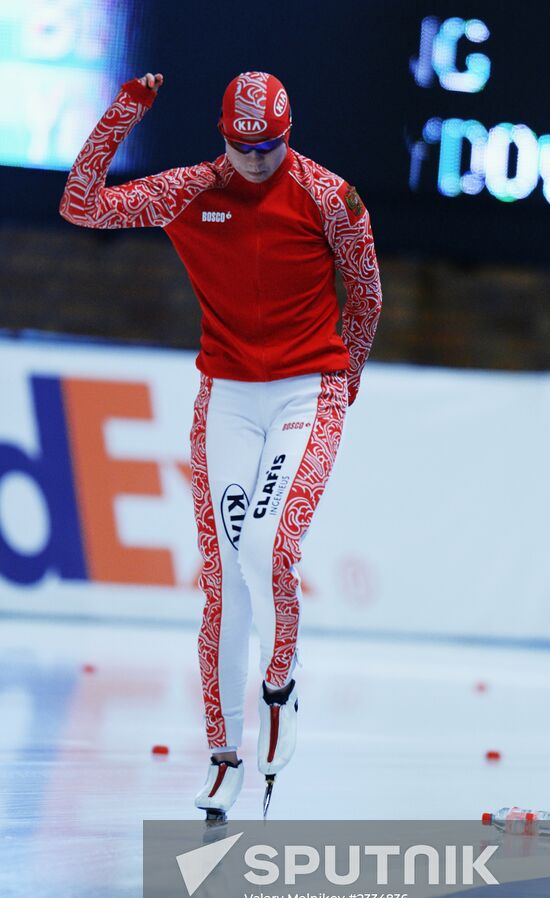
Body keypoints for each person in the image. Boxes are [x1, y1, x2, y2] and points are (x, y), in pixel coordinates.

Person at [59, 70, 382, 821]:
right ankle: (222, 753)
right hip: (229, 399)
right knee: (224, 581)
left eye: (269, 146)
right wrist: (123, 114)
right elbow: (81, 204)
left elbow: (364, 291)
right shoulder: (186, 191)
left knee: (268, 549)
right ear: (221, 136)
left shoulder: (331, 197)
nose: (256, 160)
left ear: (288, 133)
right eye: (242, 147)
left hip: (309, 389)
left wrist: (346, 387)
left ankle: (280, 684)